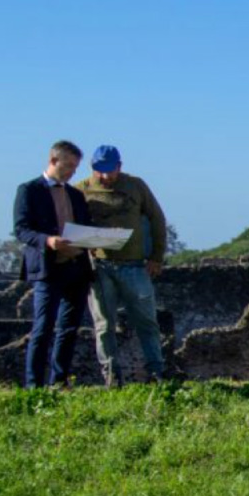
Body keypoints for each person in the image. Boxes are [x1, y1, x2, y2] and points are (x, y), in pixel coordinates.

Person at [76, 144, 170, 385]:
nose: (106, 176)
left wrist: (156, 257)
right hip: (99, 266)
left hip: (134, 265)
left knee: (147, 321)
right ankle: (111, 374)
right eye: (100, 170)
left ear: (120, 166)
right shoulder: (80, 191)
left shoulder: (135, 186)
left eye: (111, 170)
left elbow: (156, 218)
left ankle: (156, 371)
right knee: (104, 324)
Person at [13, 140, 94, 388]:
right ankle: (33, 385)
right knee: (43, 328)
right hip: (49, 269)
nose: (72, 172)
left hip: (77, 268)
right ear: (53, 161)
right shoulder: (29, 190)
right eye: (68, 165)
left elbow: (85, 227)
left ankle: (59, 381)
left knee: (69, 329)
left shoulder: (76, 195)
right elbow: (21, 230)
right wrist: (47, 240)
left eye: (75, 167)